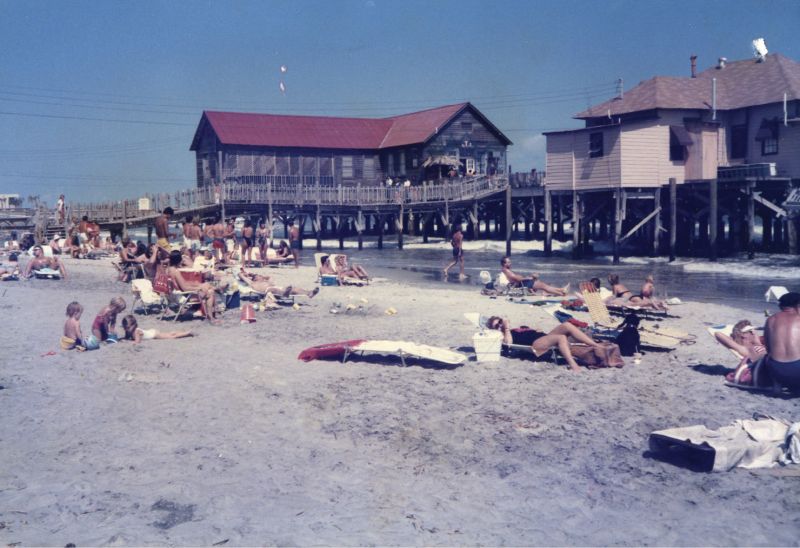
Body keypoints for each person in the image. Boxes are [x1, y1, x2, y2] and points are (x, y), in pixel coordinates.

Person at [486, 316, 608, 373]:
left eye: (500, 322)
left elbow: (528, 332)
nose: (500, 325)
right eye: (497, 325)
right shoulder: (501, 336)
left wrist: (533, 329)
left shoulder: (514, 329)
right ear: (494, 329)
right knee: (560, 338)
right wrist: (506, 328)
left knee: (567, 325)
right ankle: (573, 365)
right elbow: (508, 344)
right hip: (535, 344)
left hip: (542, 337)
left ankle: (595, 345)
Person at [166, 250, 221, 324]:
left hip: (173, 295)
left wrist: (196, 284)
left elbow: (181, 284)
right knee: (210, 292)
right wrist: (199, 288)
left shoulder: (168, 270)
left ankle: (213, 310)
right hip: (185, 296)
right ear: (178, 260)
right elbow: (185, 288)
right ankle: (211, 317)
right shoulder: (176, 272)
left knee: (204, 285)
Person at [763, 292, 800, 392]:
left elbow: (768, 347)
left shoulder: (771, 319)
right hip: (797, 368)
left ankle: (777, 384)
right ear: (797, 305)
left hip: (776, 369)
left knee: (768, 357)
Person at [715, 320, 767, 385]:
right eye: (750, 331)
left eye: (753, 331)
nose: (753, 332)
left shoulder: (765, 344)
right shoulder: (746, 349)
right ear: (742, 336)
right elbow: (718, 334)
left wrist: (757, 341)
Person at [496, 256, 567, 296]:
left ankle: (561, 290)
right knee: (543, 286)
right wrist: (528, 277)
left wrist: (528, 277)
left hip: (522, 283)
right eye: (508, 262)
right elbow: (516, 279)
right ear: (504, 264)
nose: (510, 263)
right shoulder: (507, 271)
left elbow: (516, 278)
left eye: (510, 262)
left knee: (543, 285)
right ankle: (561, 293)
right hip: (522, 284)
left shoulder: (506, 270)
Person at [238, 267, 318, 298]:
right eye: (257, 275)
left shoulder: (265, 280)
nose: (259, 275)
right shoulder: (252, 283)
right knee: (273, 289)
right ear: (255, 278)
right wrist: (247, 273)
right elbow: (240, 274)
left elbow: (269, 277)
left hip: (277, 287)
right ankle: (284, 294)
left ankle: (309, 293)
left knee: (294, 288)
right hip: (268, 290)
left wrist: (262, 276)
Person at [121, 315, 193, 343]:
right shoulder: (129, 331)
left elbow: (137, 341)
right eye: (125, 328)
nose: (126, 329)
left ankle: (187, 333)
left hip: (154, 334)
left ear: (134, 325)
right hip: (151, 332)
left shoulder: (137, 331)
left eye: (127, 327)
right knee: (170, 333)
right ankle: (185, 332)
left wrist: (128, 342)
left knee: (171, 336)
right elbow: (127, 337)